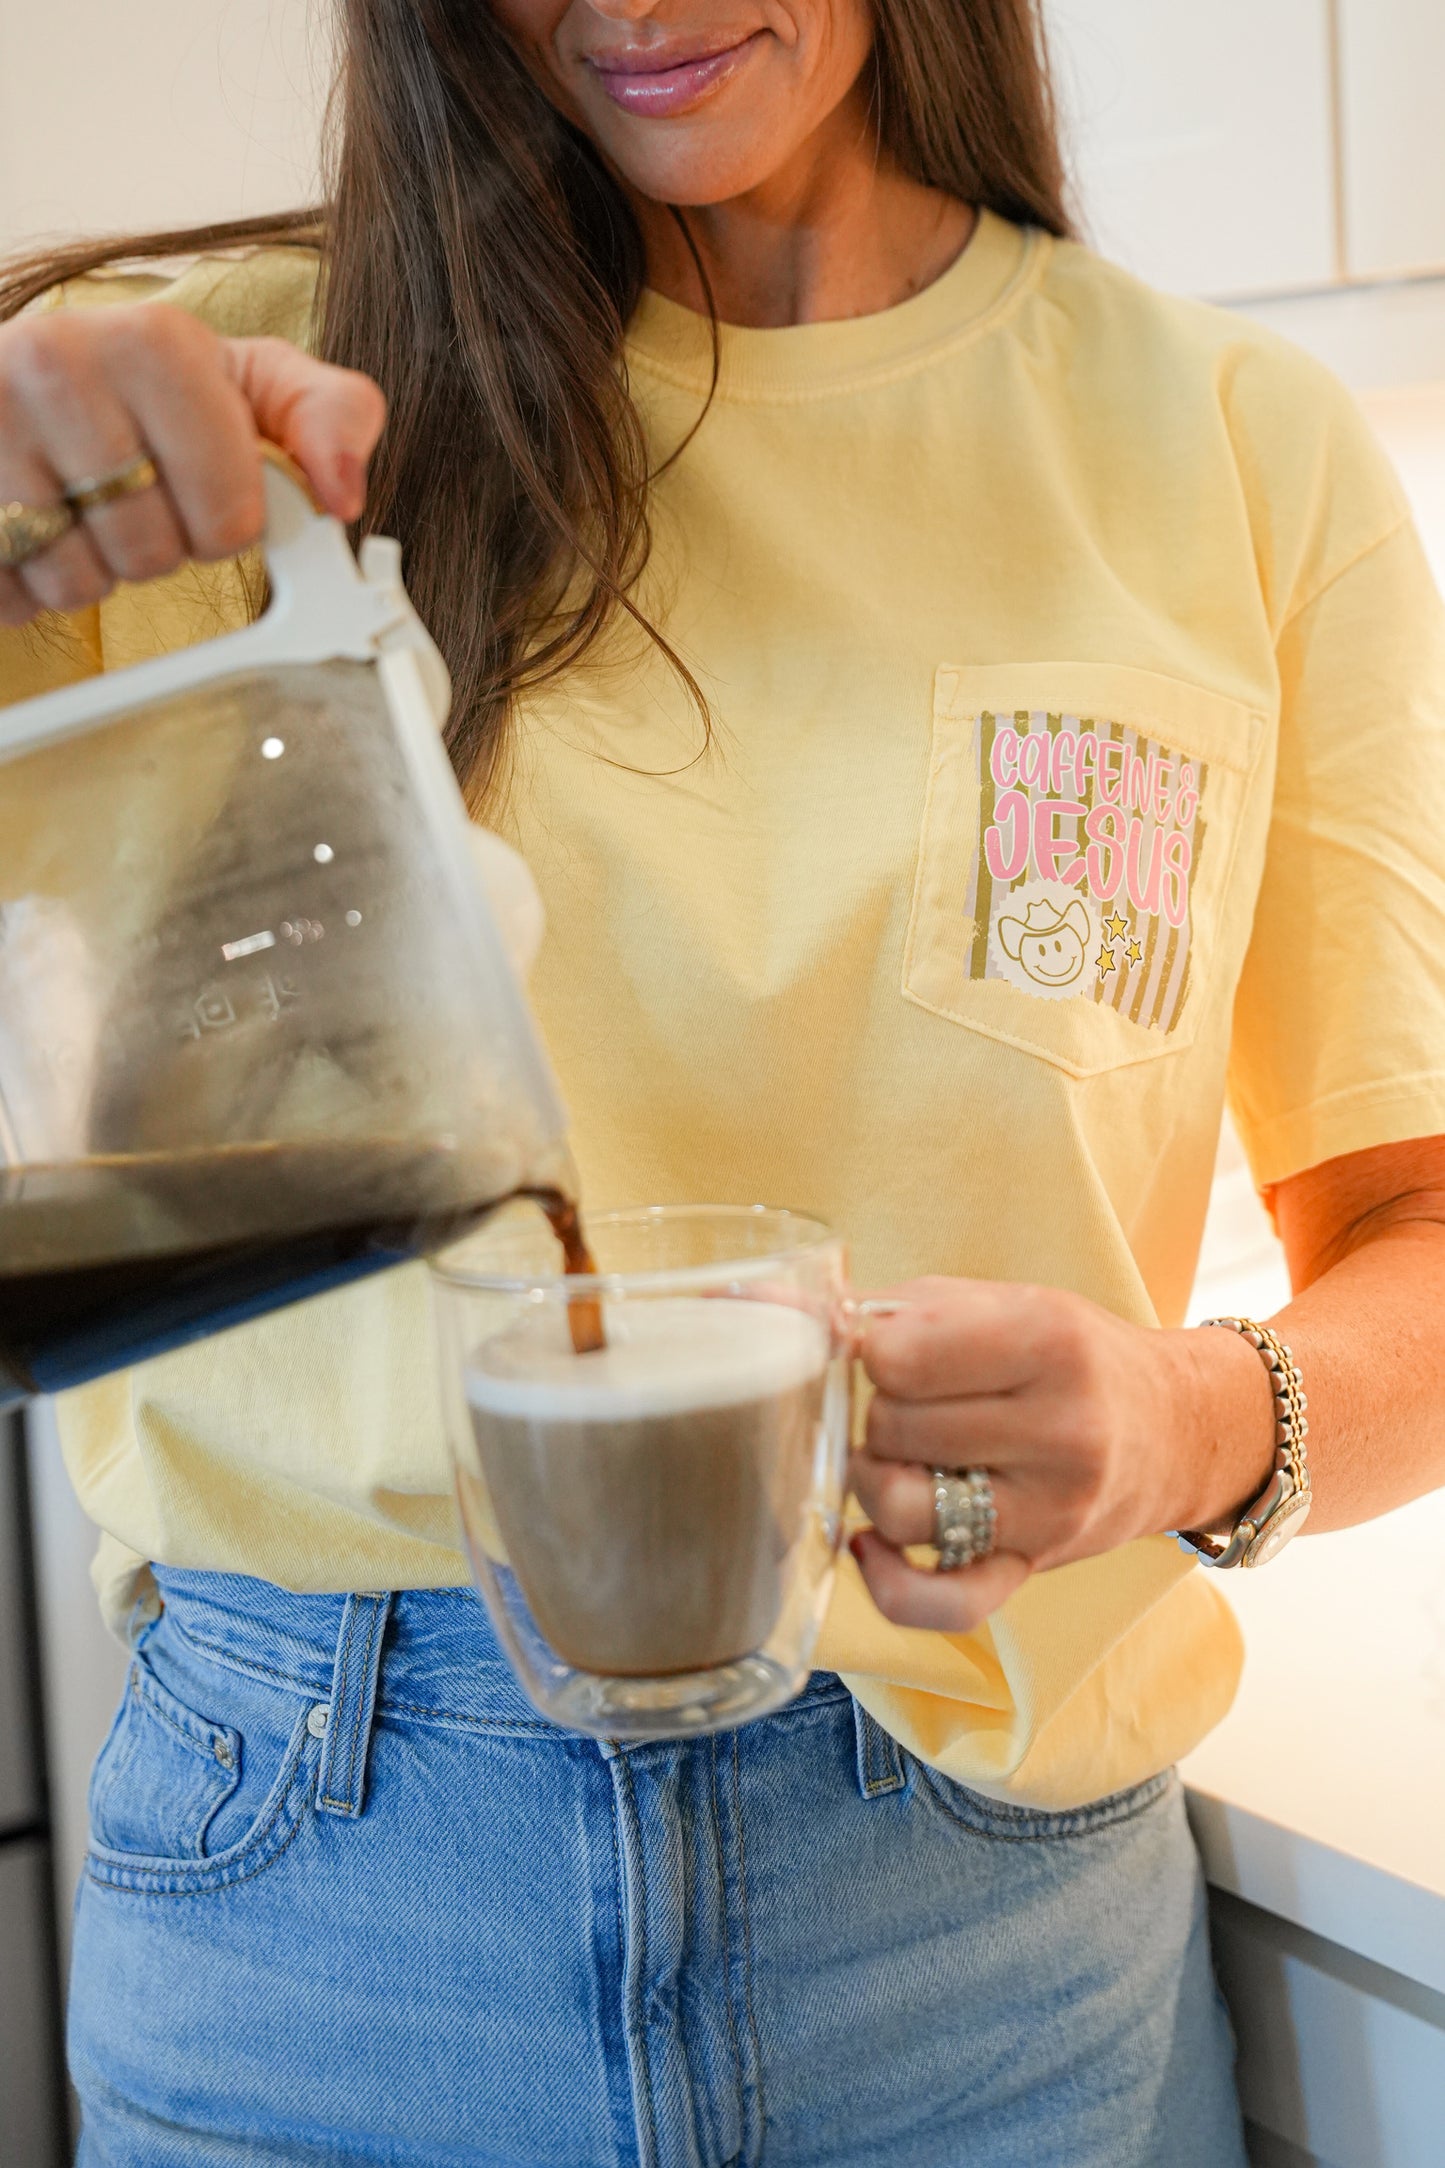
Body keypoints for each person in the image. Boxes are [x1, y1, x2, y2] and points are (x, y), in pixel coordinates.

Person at [3, 2, 1444, 2161]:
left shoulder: (1235, 444)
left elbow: (1414, 1238)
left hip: (991, 1947)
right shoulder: (203, 427)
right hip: (327, 1903)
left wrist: (1186, 1419)